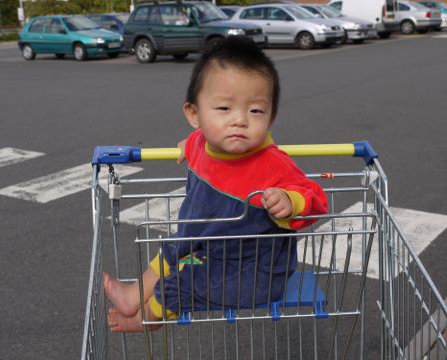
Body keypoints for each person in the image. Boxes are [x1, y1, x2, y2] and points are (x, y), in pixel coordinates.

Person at [103, 36, 328, 333]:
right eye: (224, 109)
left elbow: (316, 198)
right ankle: (134, 294)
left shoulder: (272, 164)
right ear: (195, 115)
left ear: (271, 117)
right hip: (211, 250)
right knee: (175, 246)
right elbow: (198, 139)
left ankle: (148, 317)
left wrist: (290, 201)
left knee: (185, 281)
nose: (240, 120)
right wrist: (190, 143)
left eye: (256, 111)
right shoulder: (201, 143)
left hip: (253, 273)